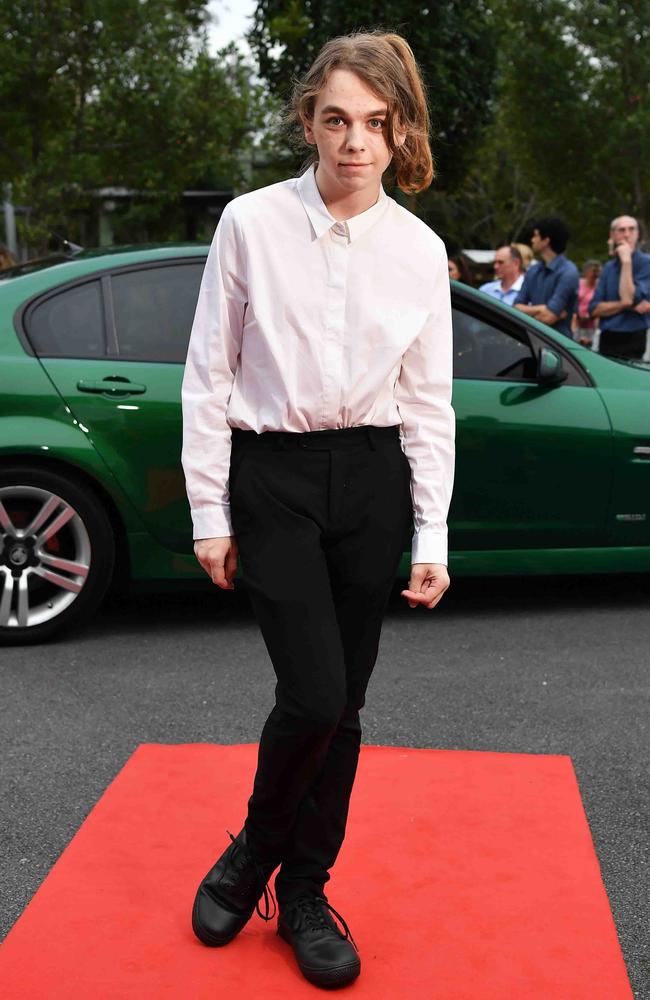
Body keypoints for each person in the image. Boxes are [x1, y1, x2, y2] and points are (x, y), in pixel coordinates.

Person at [180, 30, 455, 990]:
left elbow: (428, 403)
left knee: (346, 706)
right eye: (336, 119)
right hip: (274, 479)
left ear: (398, 130)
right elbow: (208, 374)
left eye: (376, 123)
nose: (355, 143)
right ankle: (253, 853)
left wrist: (433, 533)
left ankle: (302, 890)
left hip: (373, 481)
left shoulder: (422, 251)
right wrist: (209, 513)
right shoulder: (250, 223)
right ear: (308, 121)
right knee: (316, 693)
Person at [588, 215, 650, 361]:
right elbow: (593, 308)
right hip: (607, 336)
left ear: (637, 234)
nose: (627, 234)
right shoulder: (609, 267)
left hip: (634, 336)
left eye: (631, 229)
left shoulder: (646, 263)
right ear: (613, 235)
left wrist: (627, 262)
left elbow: (628, 296)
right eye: (621, 230)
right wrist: (625, 305)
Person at [514, 217, 579, 338]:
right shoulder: (533, 270)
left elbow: (548, 317)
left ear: (546, 240)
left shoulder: (568, 272)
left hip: (559, 344)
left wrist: (529, 312)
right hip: (533, 340)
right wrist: (542, 308)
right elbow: (515, 308)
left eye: (536, 235)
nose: (532, 240)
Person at [571, 259, 601, 347]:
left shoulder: (599, 287)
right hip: (576, 322)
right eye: (593, 271)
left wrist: (590, 315)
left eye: (597, 272)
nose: (595, 275)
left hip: (591, 324)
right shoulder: (578, 283)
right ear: (586, 272)